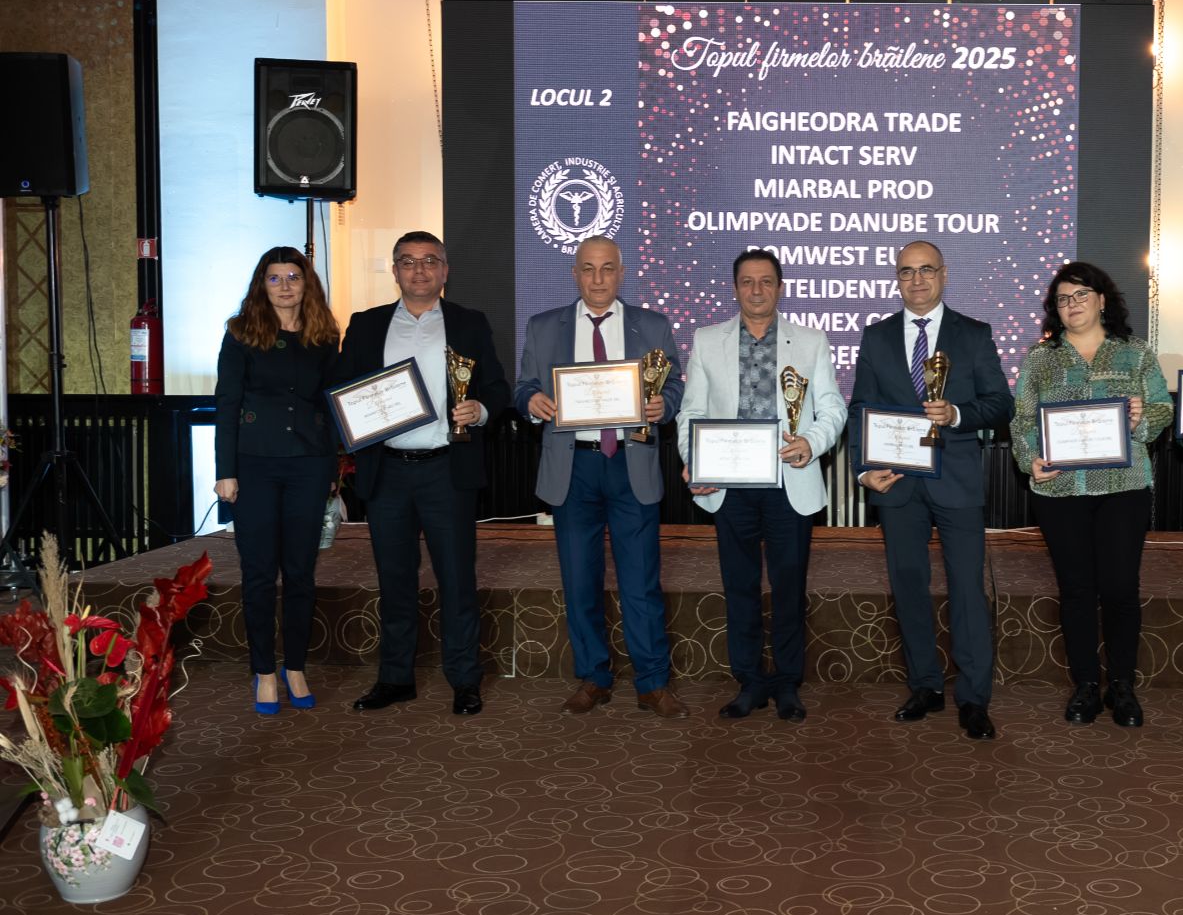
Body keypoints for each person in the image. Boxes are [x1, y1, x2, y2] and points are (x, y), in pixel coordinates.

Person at [335, 233, 510, 717]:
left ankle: (465, 679)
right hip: (387, 471)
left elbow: (497, 387)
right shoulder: (367, 324)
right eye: (408, 261)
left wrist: (481, 409)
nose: (419, 270)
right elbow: (344, 390)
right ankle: (395, 678)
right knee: (394, 579)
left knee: (456, 579)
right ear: (394, 271)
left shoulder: (469, 323)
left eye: (430, 260)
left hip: (446, 470)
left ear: (445, 270)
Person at [516, 236, 689, 720]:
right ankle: (593, 676)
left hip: (631, 465)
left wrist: (664, 405)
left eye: (607, 268)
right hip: (573, 468)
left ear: (621, 273)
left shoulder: (652, 325)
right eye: (588, 269)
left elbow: (675, 384)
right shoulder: (544, 326)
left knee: (641, 582)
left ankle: (652, 682)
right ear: (574, 273)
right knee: (579, 580)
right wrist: (531, 401)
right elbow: (524, 385)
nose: (597, 279)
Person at [849, 240, 1012, 741]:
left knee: (967, 590)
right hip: (897, 482)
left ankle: (974, 698)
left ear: (943, 275)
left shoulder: (974, 334)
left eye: (926, 270)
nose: (916, 280)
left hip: (956, 480)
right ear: (896, 280)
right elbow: (860, 409)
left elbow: (1000, 403)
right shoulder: (876, 336)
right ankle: (924, 686)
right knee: (908, 587)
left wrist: (957, 414)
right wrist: (862, 469)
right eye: (906, 272)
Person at [677, 250, 847, 722]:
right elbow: (691, 411)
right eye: (748, 281)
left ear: (780, 287)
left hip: (789, 481)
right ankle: (750, 680)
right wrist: (695, 461)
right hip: (729, 485)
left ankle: (788, 681)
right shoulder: (707, 340)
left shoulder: (810, 341)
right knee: (740, 586)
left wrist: (811, 442)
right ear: (735, 288)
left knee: (789, 587)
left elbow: (833, 407)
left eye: (766, 281)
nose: (757, 290)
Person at [1010, 262, 1172, 728]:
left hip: (1123, 487)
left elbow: (1162, 407)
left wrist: (1143, 419)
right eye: (1063, 299)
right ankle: (1085, 686)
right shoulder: (1040, 358)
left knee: (1120, 588)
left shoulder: (1135, 353)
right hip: (1060, 489)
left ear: (1102, 300)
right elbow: (1022, 420)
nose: (1072, 305)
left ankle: (1122, 686)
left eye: (1081, 295)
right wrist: (1029, 459)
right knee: (1076, 589)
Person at [213, 247, 340, 716]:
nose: (285, 286)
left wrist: (333, 469)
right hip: (253, 466)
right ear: (261, 285)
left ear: (307, 284)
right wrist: (225, 471)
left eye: (293, 277)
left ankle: (296, 667)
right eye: (274, 278)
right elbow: (227, 402)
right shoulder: (241, 331)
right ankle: (265, 671)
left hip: (310, 464)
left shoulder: (325, 335)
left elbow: (332, 403)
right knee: (260, 573)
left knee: (302, 573)